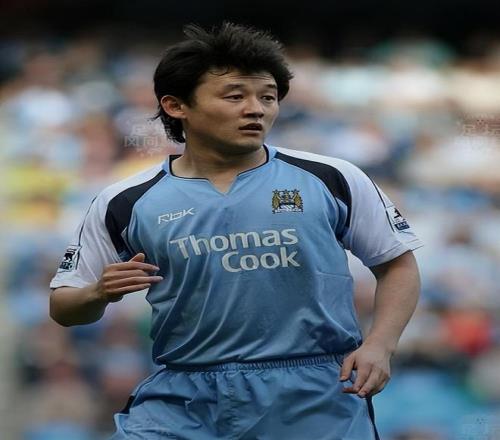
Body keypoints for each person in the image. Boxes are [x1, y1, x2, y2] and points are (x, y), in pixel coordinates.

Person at [49, 22, 422, 440]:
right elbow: (64, 306)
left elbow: (397, 264)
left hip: (314, 391)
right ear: (176, 105)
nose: (256, 109)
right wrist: (98, 293)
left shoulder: (331, 178)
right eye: (235, 96)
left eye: (267, 96)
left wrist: (380, 344)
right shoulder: (126, 201)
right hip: (184, 395)